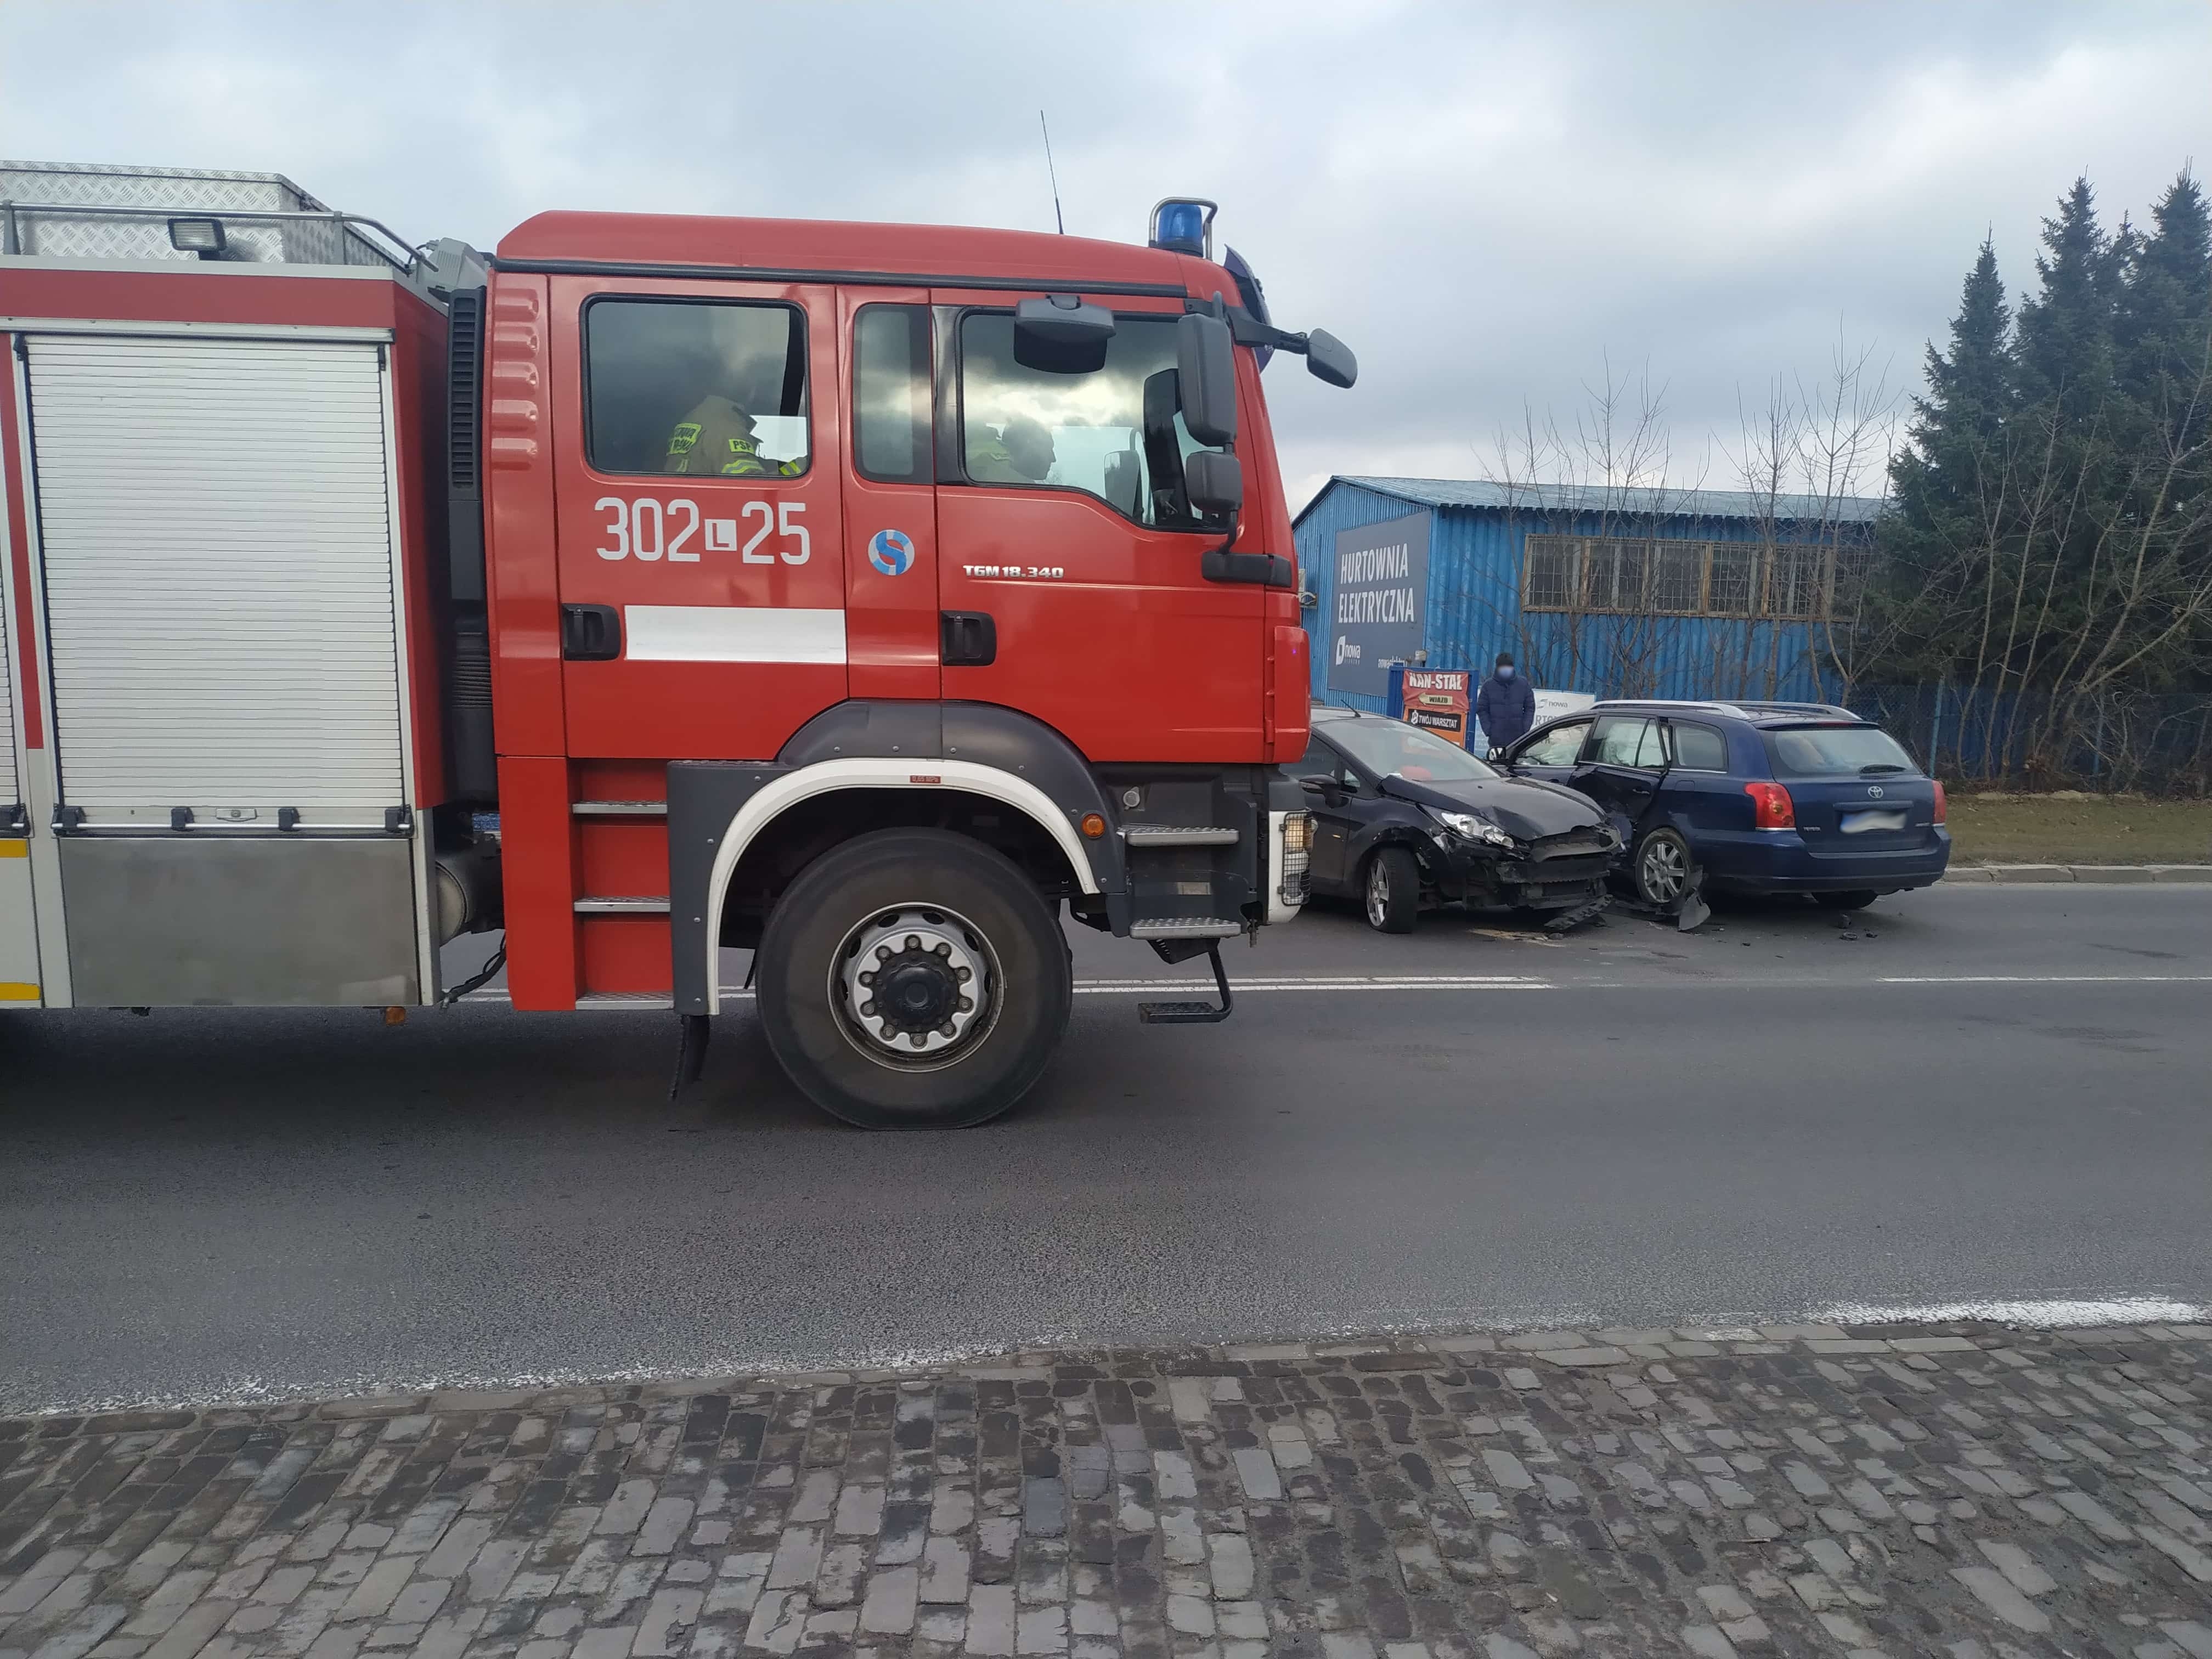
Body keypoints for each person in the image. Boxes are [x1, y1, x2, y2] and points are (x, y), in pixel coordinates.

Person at [663, 396, 801, 478]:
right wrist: (801, 466)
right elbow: (751, 486)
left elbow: (714, 459)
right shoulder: (726, 427)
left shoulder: (698, 418)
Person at [1475, 652, 1536, 756]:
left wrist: (1525, 728)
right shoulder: (1488, 686)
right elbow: (1482, 709)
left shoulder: (1523, 684)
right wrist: (1489, 730)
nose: (1506, 669)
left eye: (1508, 667)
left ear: (1512, 667)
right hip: (1496, 740)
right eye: (1503, 667)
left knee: (1518, 769)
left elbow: (1530, 707)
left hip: (1519, 739)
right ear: (1497, 668)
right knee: (1496, 769)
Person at [968, 414, 1056, 483]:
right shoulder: (1015, 483)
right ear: (1027, 444)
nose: (1053, 459)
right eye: (1048, 449)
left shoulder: (980, 466)